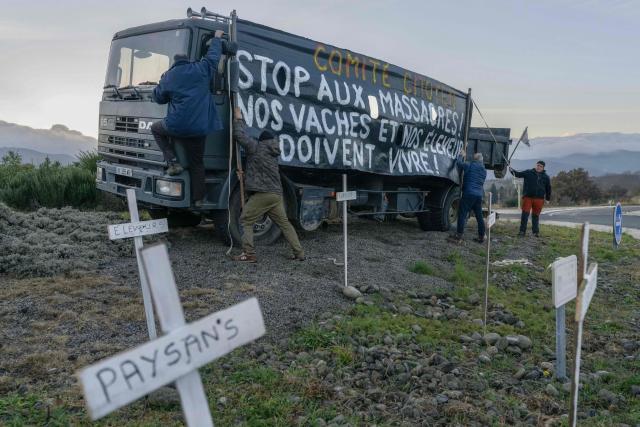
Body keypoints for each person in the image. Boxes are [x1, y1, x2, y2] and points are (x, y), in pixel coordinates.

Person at [150, 30, 225, 208]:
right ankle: (198, 199)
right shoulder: (200, 69)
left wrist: (161, 82)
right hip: (199, 128)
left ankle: (173, 162)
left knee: (155, 129)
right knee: (197, 163)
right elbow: (213, 56)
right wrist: (217, 38)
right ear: (187, 61)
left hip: (176, 126)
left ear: (174, 63)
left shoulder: (169, 76)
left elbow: (159, 98)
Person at [231, 107, 305, 263]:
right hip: (276, 195)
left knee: (246, 220)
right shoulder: (273, 154)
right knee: (284, 224)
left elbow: (239, 135)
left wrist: (238, 119)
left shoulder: (257, 147)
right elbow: (259, 171)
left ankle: (249, 254)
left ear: (261, 140)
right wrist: (244, 176)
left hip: (264, 194)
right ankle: (299, 253)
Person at [448, 152, 487, 243]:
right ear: (481, 161)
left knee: (462, 214)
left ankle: (459, 235)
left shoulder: (470, 165)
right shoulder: (484, 170)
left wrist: (461, 155)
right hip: (478, 195)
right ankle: (481, 236)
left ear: (475, 159)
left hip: (468, 193)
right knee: (479, 217)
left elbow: (458, 163)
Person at [509, 160, 551, 237]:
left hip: (539, 199)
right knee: (525, 215)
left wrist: (547, 199)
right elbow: (518, 174)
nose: (538, 167)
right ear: (536, 165)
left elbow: (548, 188)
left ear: (543, 168)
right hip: (528, 198)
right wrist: (510, 169)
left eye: (540, 166)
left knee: (535, 216)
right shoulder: (528, 172)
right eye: (538, 165)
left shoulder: (546, 177)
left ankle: (535, 232)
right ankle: (522, 232)